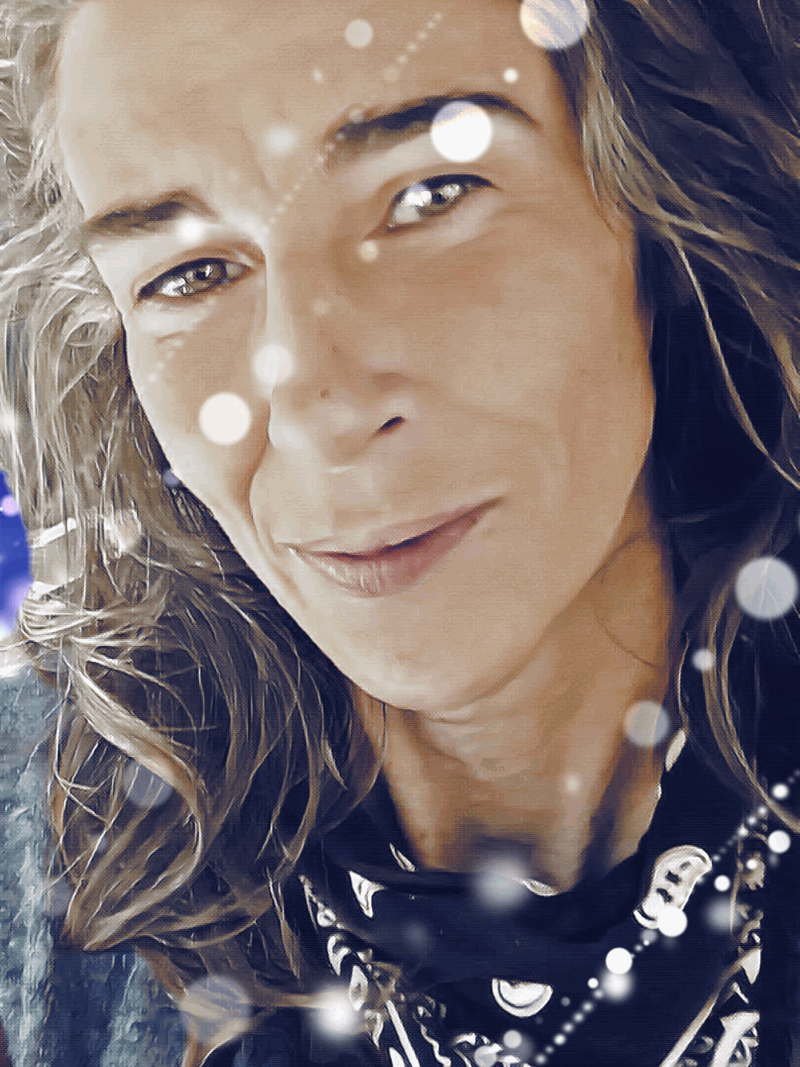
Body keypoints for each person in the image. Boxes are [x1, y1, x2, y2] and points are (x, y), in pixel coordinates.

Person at [0, 0, 799, 1063]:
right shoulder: (39, 827)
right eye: (190, 274)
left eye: (431, 194)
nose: (316, 408)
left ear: (657, 212)